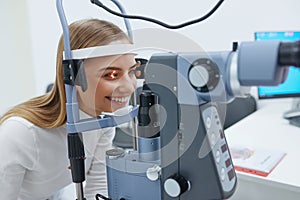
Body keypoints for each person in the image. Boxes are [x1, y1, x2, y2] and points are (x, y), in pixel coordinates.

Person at [0, 18, 139, 200]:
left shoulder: (103, 123)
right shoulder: (21, 133)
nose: (129, 87)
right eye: (111, 75)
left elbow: (96, 190)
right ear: (74, 75)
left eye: (132, 71)